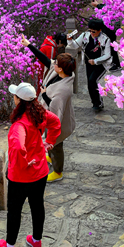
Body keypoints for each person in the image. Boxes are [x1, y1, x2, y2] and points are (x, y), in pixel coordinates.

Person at [0, 82, 61, 247]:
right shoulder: (40, 114)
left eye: (15, 95)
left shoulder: (19, 125)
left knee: (15, 210)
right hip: (40, 171)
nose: (13, 98)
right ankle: (36, 241)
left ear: (19, 100)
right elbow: (55, 122)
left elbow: (18, 147)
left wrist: (24, 162)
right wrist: (49, 142)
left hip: (21, 176)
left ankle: (10, 245)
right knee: (37, 206)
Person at [40, 52, 76, 183]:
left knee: (56, 145)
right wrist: (28, 45)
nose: (53, 63)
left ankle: (57, 171)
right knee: (53, 145)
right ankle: (51, 157)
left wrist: (44, 95)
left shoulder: (63, 90)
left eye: (56, 63)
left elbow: (55, 111)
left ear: (60, 68)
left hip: (58, 123)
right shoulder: (63, 74)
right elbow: (45, 60)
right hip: (53, 118)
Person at [66, 18, 111, 112]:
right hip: (88, 63)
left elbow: (107, 55)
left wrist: (95, 61)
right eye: (90, 30)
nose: (91, 33)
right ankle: (95, 103)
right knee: (89, 83)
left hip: (101, 64)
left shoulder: (106, 39)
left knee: (93, 80)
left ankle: (99, 102)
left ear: (100, 30)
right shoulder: (84, 35)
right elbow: (74, 45)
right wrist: (70, 40)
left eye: (94, 31)